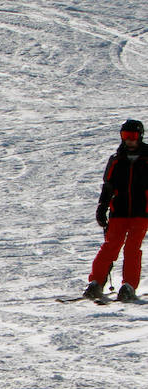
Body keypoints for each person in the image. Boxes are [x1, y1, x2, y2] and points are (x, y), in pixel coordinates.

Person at [86, 120, 147, 302]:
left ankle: (129, 286)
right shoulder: (116, 160)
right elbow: (108, 186)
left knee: (132, 249)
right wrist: (102, 207)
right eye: (125, 136)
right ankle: (96, 283)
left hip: (141, 212)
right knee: (110, 247)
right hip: (118, 212)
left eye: (132, 136)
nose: (129, 140)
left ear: (140, 136)